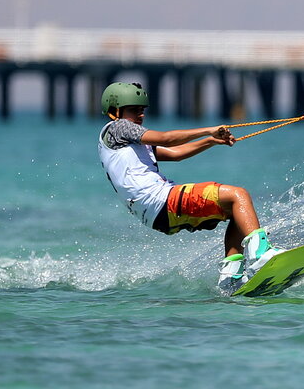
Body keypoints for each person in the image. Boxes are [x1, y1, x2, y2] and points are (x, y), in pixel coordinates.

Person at [97, 82, 282, 292]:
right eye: (134, 111)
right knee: (238, 195)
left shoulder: (126, 144)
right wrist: (208, 129)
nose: (140, 116)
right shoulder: (118, 127)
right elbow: (167, 140)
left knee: (235, 212)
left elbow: (177, 154)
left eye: (142, 111)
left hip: (155, 215)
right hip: (162, 200)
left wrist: (211, 141)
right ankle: (262, 256)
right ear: (114, 112)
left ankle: (231, 276)